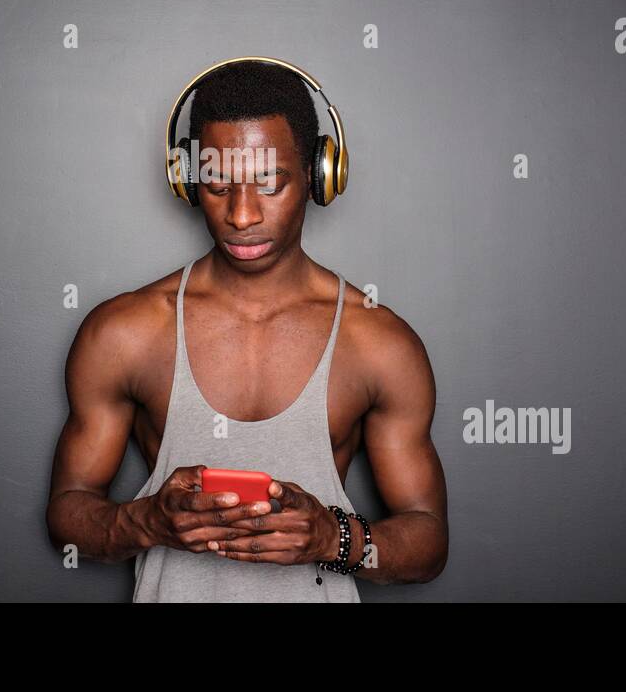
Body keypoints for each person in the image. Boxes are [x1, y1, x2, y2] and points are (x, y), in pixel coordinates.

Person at [45, 59, 448, 601]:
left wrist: (333, 537)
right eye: (217, 185)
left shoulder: (379, 343)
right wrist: (147, 523)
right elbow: (69, 512)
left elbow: (427, 541)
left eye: (269, 183)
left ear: (319, 174)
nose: (240, 215)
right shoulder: (123, 332)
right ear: (187, 182)